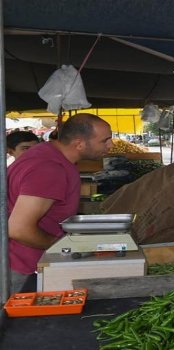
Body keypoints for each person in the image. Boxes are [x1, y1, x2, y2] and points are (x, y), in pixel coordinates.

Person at [7, 113, 113, 294]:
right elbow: (18, 229)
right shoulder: (49, 168)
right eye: (105, 140)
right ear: (79, 144)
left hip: (22, 262)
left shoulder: (47, 154)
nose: (111, 145)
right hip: (23, 269)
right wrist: (61, 245)